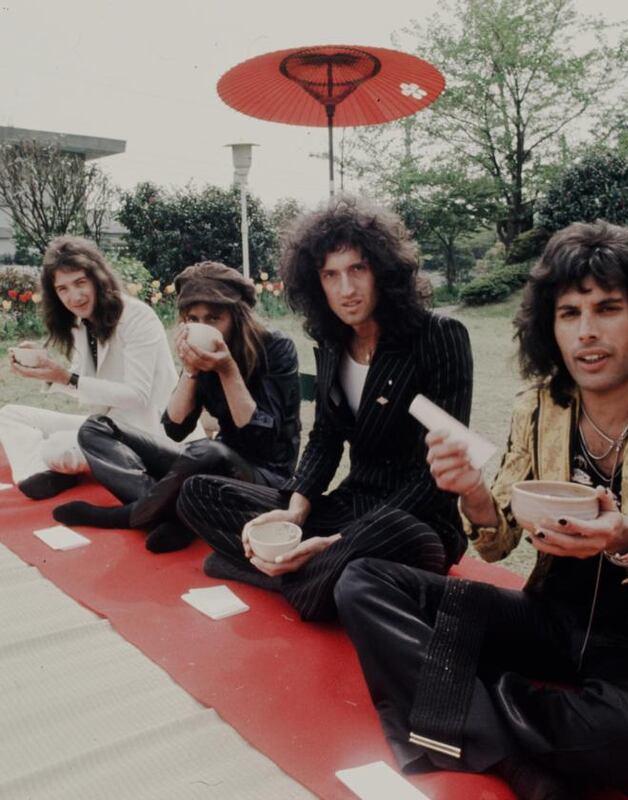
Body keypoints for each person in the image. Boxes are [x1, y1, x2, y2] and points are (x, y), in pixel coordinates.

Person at [334, 221, 628, 800]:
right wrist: (473, 493)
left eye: (607, 309)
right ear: (549, 328)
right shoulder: (540, 405)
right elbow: (497, 539)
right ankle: (515, 759)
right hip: (546, 618)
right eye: (568, 314)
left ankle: (456, 703)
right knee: (363, 580)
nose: (587, 333)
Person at [176, 197, 473, 620]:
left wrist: (337, 540)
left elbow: (437, 474)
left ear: (383, 271)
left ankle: (282, 575)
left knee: (396, 540)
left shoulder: (438, 337)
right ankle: (315, 577)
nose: (346, 289)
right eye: (330, 275)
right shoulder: (333, 342)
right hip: (350, 503)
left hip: (414, 521)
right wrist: (297, 509)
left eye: (358, 269)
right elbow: (326, 438)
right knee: (198, 493)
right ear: (315, 284)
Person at [52, 261, 301, 553]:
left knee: (207, 450)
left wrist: (227, 370)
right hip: (209, 467)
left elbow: (264, 440)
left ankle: (131, 515)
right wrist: (191, 371)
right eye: (192, 319)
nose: (202, 328)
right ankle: (169, 513)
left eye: (213, 319)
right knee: (96, 427)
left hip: (265, 477)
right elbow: (174, 428)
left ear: (237, 316)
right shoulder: (201, 353)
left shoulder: (275, 347)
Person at [0, 235, 189, 500]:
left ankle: (57, 466)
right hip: (104, 426)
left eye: (80, 282)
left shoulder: (137, 316)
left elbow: (138, 395)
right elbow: (85, 388)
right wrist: (46, 370)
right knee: (10, 414)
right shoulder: (80, 324)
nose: (74, 296)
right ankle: (37, 475)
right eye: (62, 289)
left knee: (55, 449)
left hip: (147, 431)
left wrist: (66, 376)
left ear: (98, 278)